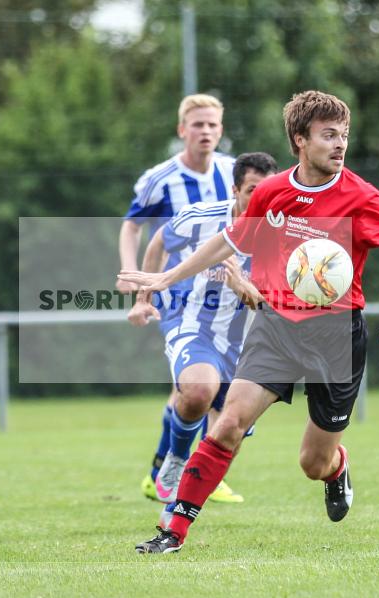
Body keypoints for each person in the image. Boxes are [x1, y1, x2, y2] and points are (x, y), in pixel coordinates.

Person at [120, 90, 379, 553]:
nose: (339, 143)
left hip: (336, 335)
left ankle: (337, 467)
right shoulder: (273, 192)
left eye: (343, 135)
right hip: (276, 325)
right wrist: (167, 276)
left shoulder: (362, 197)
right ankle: (172, 532)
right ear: (300, 140)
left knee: (312, 462)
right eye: (328, 135)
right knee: (227, 424)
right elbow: (229, 240)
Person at [127, 152, 278, 526]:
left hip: (248, 342)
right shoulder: (202, 218)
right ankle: (175, 457)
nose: (261, 200)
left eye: (269, 191)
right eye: (253, 191)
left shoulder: (285, 233)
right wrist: (144, 298)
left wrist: (242, 287)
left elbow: (273, 306)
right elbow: (158, 240)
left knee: (229, 432)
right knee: (198, 390)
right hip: (192, 322)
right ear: (235, 190)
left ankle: (177, 507)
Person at [117, 94, 243, 504]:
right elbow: (133, 227)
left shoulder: (235, 172)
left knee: (204, 391)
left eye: (212, 125)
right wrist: (138, 286)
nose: (205, 131)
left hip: (230, 299)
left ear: (221, 130)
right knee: (198, 388)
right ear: (182, 130)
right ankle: (188, 471)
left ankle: (164, 471)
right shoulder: (160, 178)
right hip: (179, 294)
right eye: (197, 124)